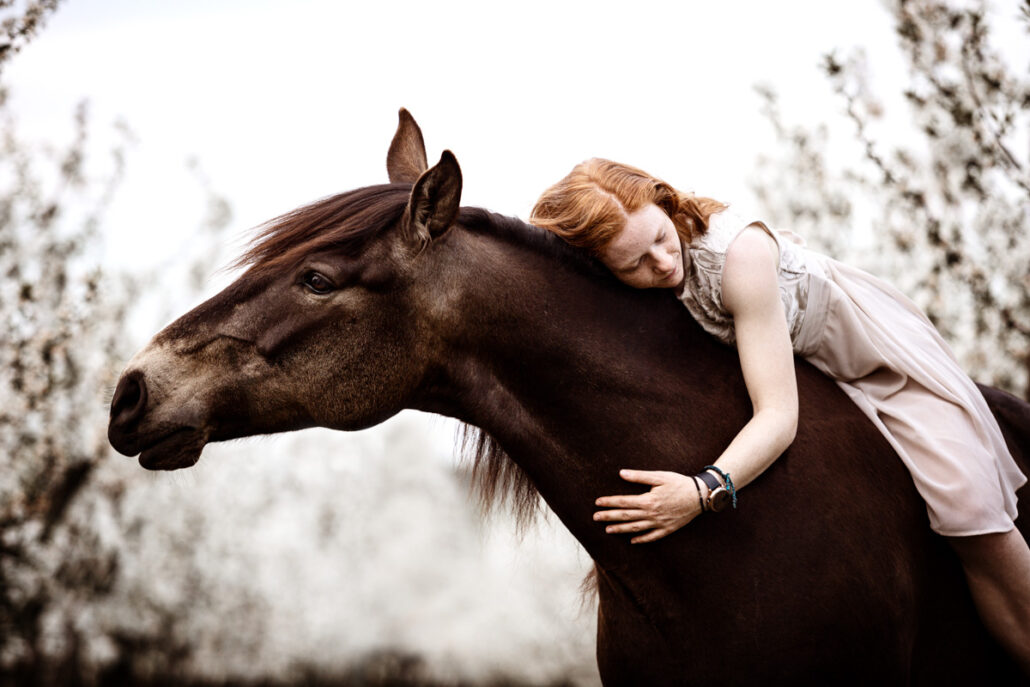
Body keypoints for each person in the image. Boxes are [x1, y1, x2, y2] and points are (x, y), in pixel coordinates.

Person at [529, 157, 1030, 672]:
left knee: (969, 507)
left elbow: (778, 416)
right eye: (634, 263)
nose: (661, 262)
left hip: (875, 361)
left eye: (660, 237)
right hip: (807, 370)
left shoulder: (737, 259)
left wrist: (700, 492)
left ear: (663, 201)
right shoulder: (641, 283)